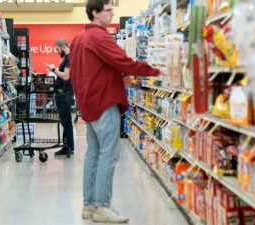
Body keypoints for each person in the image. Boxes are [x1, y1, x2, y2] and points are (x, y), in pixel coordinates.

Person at [70, 0, 165, 223]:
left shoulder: (78, 40)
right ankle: (102, 205)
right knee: (108, 155)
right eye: (108, 10)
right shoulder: (99, 36)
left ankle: (89, 205)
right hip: (104, 102)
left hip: (89, 104)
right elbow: (123, 62)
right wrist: (157, 70)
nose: (112, 14)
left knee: (93, 154)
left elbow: (82, 72)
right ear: (95, 13)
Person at [45, 39, 75, 156]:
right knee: (65, 121)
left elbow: (66, 76)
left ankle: (69, 147)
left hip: (64, 93)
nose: (57, 52)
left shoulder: (69, 58)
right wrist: (55, 69)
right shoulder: (67, 58)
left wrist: (54, 70)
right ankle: (66, 146)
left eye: (58, 49)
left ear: (63, 46)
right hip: (63, 93)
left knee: (66, 122)